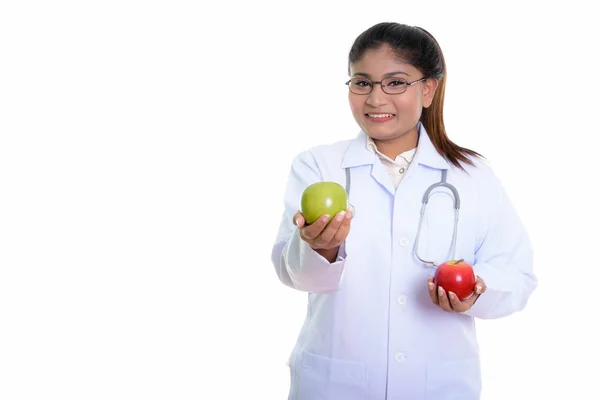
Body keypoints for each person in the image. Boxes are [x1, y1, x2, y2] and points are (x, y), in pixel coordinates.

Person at [270, 22, 537, 400]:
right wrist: (320, 248)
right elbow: (295, 274)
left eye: (395, 82)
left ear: (428, 90)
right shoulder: (318, 167)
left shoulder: (472, 176)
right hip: (335, 384)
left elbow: (517, 274)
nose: (376, 99)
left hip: (438, 386)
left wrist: (475, 292)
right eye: (362, 82)